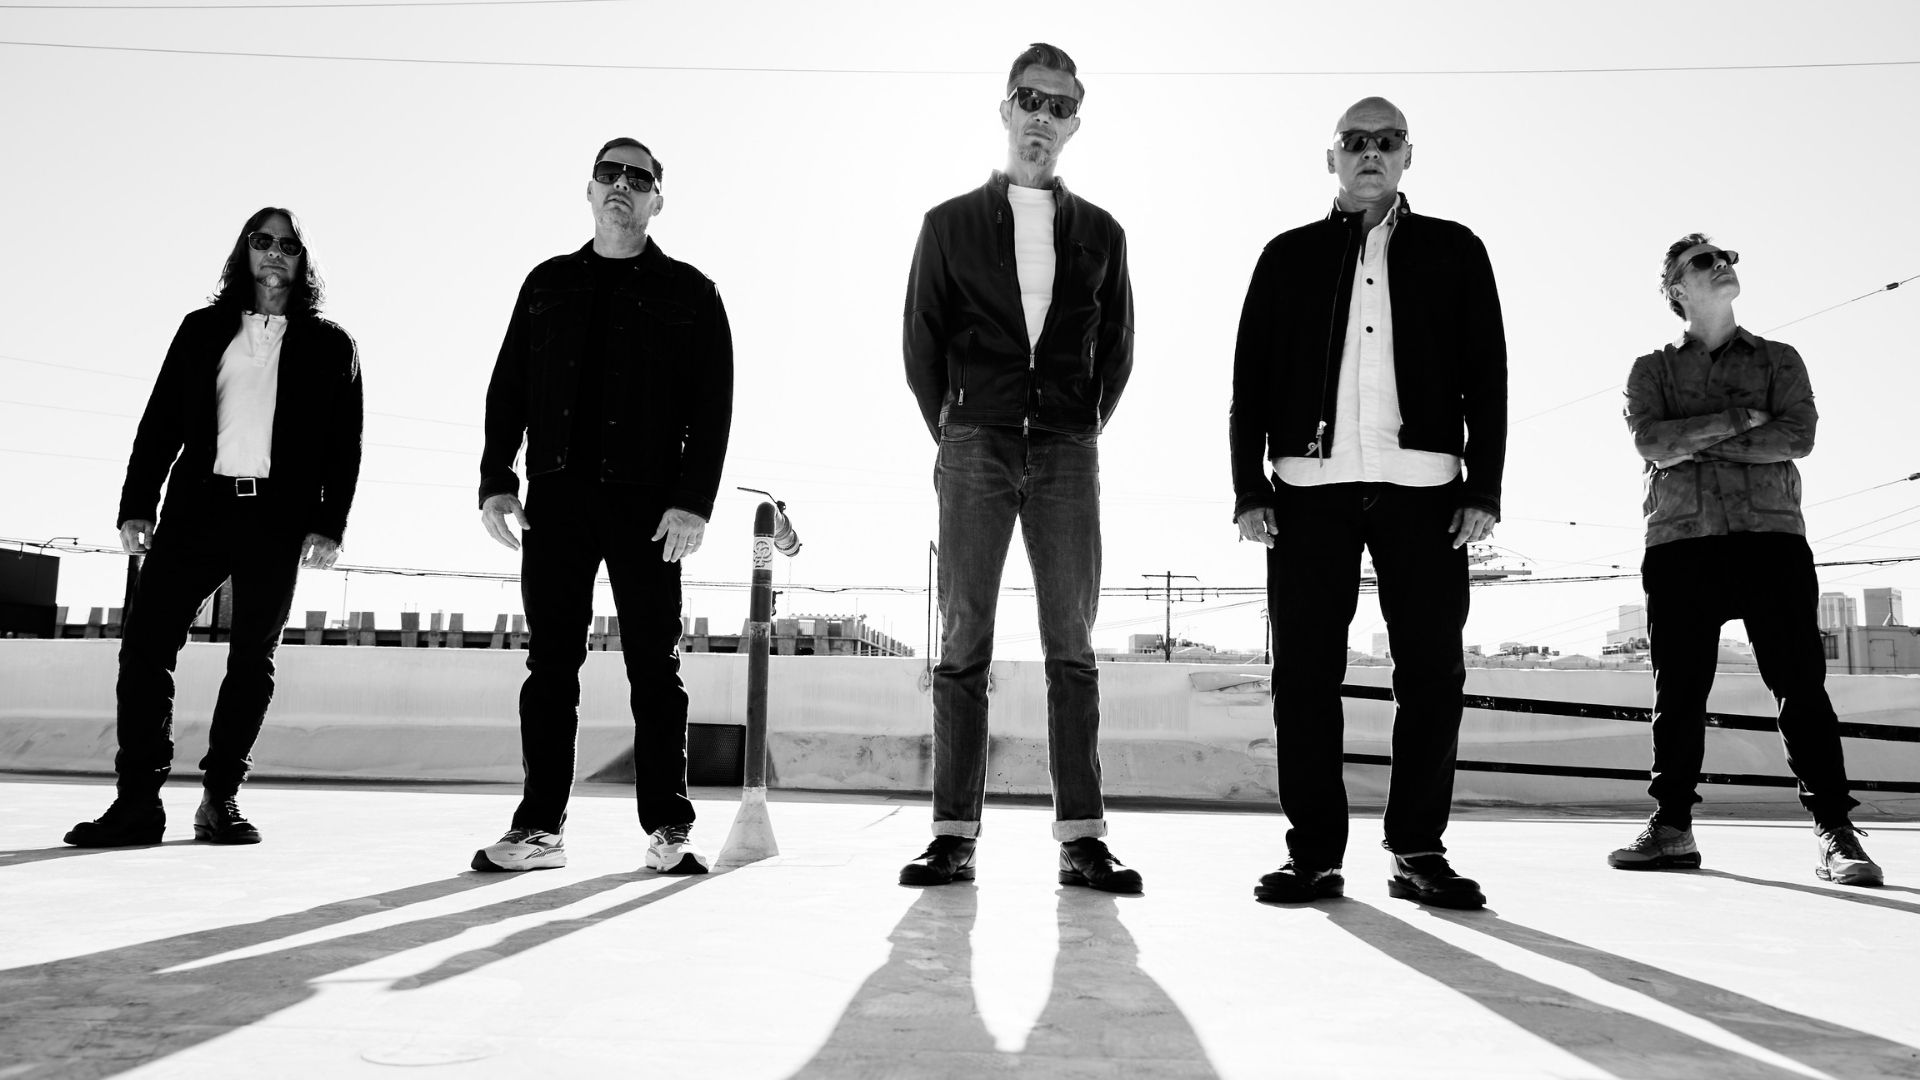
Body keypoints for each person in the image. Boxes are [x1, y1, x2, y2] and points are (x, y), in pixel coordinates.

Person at [1229, 97, 1507, 909]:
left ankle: (1418, 850)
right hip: (1307, 491)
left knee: (1432, 673)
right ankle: (1313, 855)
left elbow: (1487, 375)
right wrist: (1248, 487)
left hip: (1426, 491)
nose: (1370, 152)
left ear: (1408, 154)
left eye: (1387, 140)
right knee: (1303, 677)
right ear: (1332, 158)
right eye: (1355, 141)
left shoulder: (1456, 250)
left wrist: (1484, 487)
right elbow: (1250, 379)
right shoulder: (1286, 256)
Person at [900, 43, 1139, 893]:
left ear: (1075, 123)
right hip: (976, 442)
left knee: (1071, 646)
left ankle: (1083, 839)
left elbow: (1118, 348)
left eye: (1059, 106)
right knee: (964, 641)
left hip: (1067, 447)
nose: (1043, 116)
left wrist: (1079, 422)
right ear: (1006, 110)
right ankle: (952, 836)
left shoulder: (1103, 233)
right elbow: (921, 342)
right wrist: (956, 425)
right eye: (1030, 100)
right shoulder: (948, 224)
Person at [473, 137, 733, 875]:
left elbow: (711, 408)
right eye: (609, 173)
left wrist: (693, 502)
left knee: (655, 667)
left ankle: (669, 829)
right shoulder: (547, 283)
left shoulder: (692, 293)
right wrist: (497, 479)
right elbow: (509, 387)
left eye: (638, 177)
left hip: (650, 507)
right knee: (550, 665)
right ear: (589, 190)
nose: (622, 184)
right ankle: (539, 830)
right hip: (555, 499)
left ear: (657, 199)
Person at [65, 207, 363, 847]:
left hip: (277, 518)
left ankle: (220, 798)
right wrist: (136, 503)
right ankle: (137, 802)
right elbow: (160, 420)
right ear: (244, 252)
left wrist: (329, 523)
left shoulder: (331, 344)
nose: (275, 252)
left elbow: (346, 445)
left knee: (252, 660)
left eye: (289, 244)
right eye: (263, 240)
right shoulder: (201, 330)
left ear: (303, 260)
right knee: (145, 648)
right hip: (197, 508)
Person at [1608, 235, 1883, 886]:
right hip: (1680, 543)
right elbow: (1652, 442)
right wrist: (1743, 420)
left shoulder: (1780, 359)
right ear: (1676, 288)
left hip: (1770, 537)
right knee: (1679, 693)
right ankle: (1671, 828)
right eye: (1704, 261)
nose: (1722, 265)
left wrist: (1695, 439)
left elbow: (1797, 437)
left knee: (1800, 687)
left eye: (1726, 257)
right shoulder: (1651, 371)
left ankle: (1836, 833)